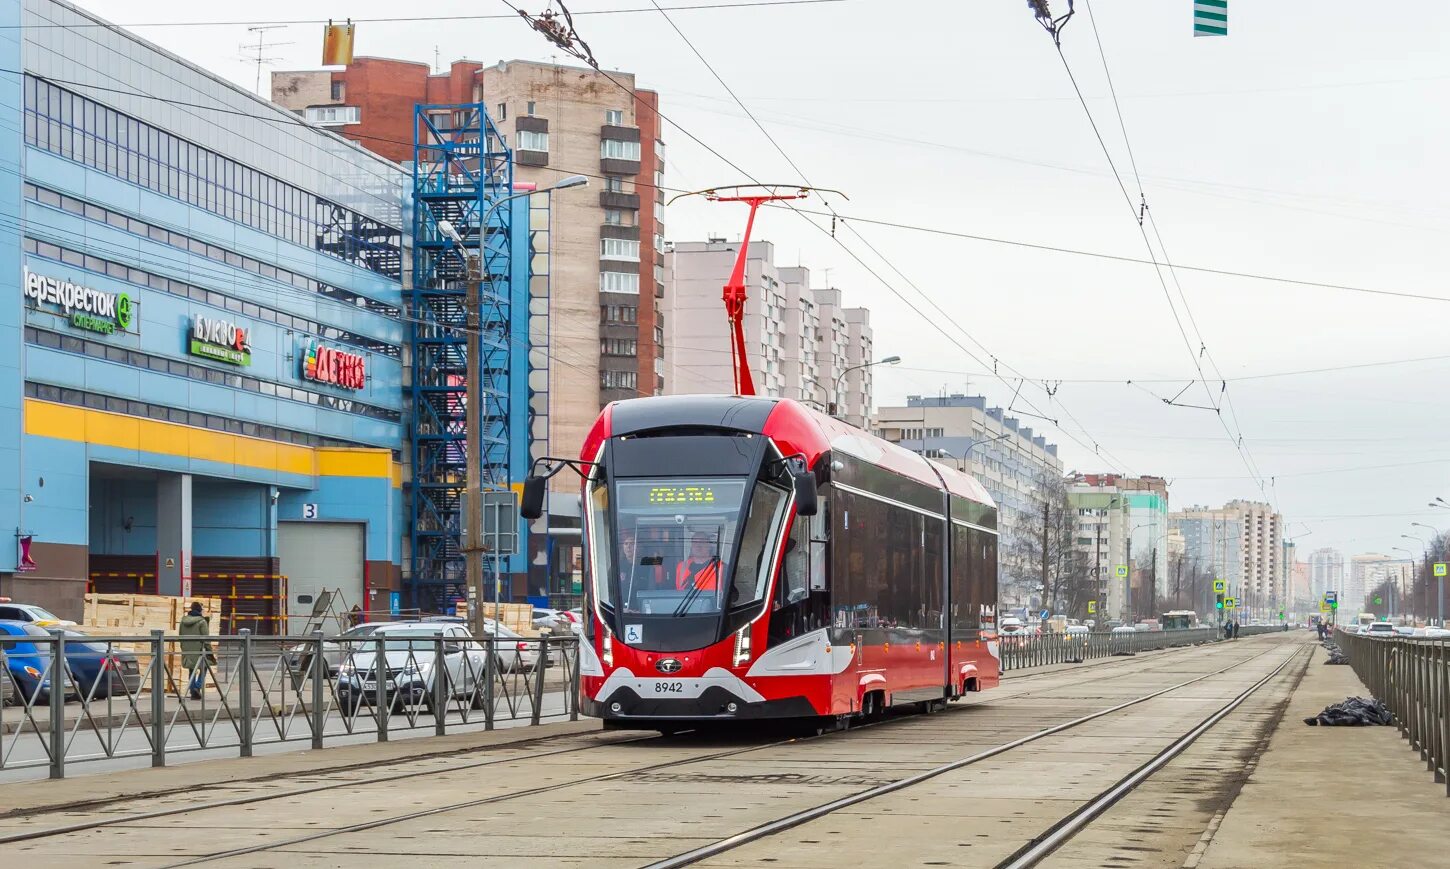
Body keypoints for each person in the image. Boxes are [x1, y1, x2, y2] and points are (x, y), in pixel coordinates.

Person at [178, 602, 212, 700]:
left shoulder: (183, 621)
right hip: (200, 650)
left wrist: (184, 648)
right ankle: (197, 686)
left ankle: (193, 692)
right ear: (200, 610)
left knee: (191, 670)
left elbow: (180, 636)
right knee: (204, 667)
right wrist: (209, 650)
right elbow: (206, 638)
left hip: (187, 650)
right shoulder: (202, 621)